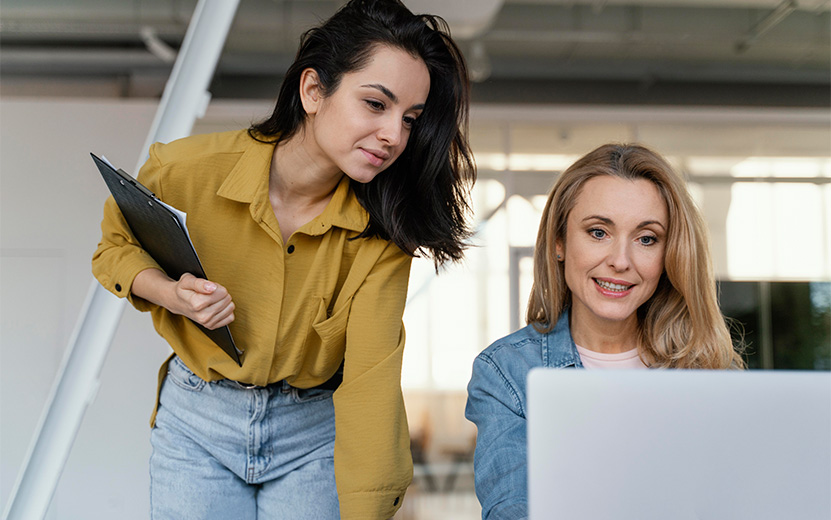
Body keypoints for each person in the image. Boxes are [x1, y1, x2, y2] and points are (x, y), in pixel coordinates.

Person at [92, 1, 474, 518]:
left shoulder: (383, 236)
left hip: (314, 435)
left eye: (410, 119)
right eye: (376, 105)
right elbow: (115, 248)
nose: (394, 136)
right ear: (313, 90)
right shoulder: (184, 171)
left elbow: (370, 381)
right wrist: (169, 293)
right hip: (196, 424)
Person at [465, 143, 744, 520]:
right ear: (560, 242)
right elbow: (513, 510)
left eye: (647, 239)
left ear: (669, 256)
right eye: (598, 232)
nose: (620, 261)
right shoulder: (507, 372)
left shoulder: (711, 372)